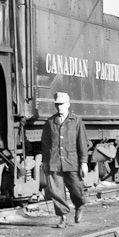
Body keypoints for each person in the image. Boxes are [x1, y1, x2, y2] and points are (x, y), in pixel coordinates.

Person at [41, 91, 89, 228]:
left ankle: (79, 205)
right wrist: (45, 162)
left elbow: (82, 142)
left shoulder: (76, 121)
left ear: (68, 104)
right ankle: (63, 218)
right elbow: (45, 144)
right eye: (57, 104)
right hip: (54, 162)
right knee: (56, 192)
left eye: (62, 104)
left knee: (77, 189)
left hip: (72, 161)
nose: (59, 107)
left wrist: (84, 163)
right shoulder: (50, 122)